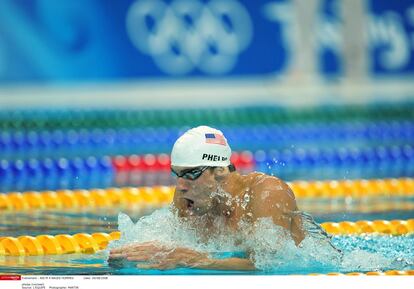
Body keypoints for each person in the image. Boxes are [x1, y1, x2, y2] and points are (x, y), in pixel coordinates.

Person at [108, 126, 309, 270]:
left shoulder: (267, 194)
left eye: (190, 174)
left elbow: (270, 265)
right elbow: (174, 245)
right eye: (177, 174)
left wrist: (197, 260)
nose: (180, 185)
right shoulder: (188, 195)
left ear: (220, 170)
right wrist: (137, 253)